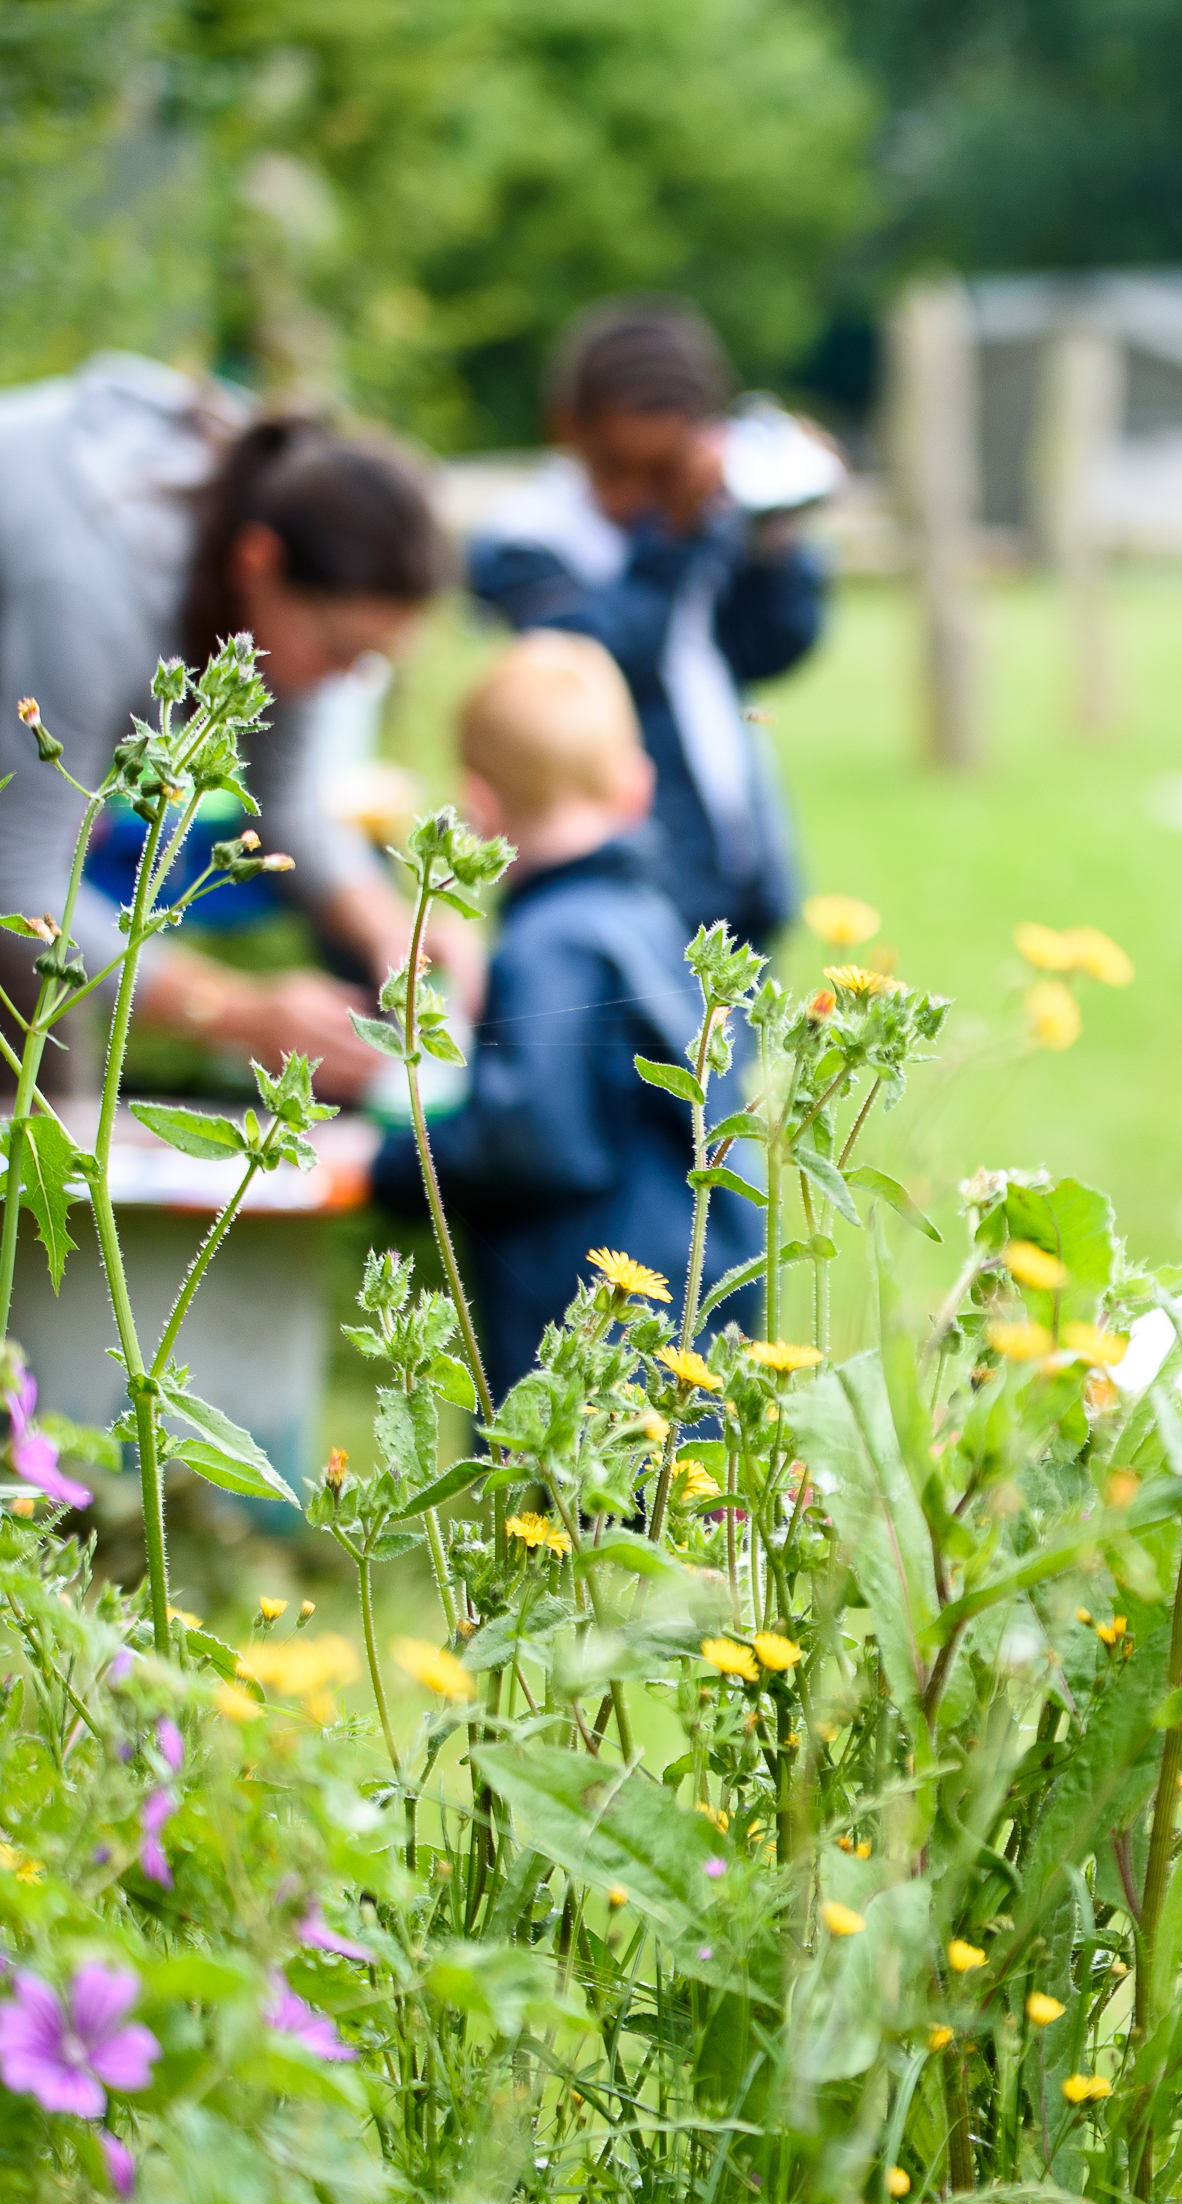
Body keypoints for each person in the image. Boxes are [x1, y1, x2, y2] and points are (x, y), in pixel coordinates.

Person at [0, 354, 454, 1095]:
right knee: (45, 1079)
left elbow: (289, 804)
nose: (344, 680)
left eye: (367, 661)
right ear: (258, 561)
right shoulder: (91, 583)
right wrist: (238, 1012)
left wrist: (391, 927)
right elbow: (15, 877)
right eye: (339, 649)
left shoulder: (280, 509)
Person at [367, 632, 760, 1396]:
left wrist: (388, 1165)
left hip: (597, 1332)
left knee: (577, 1510)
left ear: (477, 804)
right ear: (636, 786)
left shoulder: (548, 943)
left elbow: (533, 1139)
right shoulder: (645, 918)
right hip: (694, 1289)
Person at [466, 296, 821, 952]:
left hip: (735, 859)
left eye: (662, 473)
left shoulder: (701, 518)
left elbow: (770, 646)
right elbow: (595, 657)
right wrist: (675, 535)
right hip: (614, 888)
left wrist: (778, 537)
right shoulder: (525, 538)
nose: (640, 496)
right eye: (619, 468)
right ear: (568, 428)